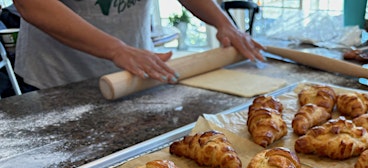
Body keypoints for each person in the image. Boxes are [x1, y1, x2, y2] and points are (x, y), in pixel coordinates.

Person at [12, 0, 266, 92]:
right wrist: (115, 49)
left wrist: (224, 23)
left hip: (136, 72)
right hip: (58, 74)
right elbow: (31, 4)